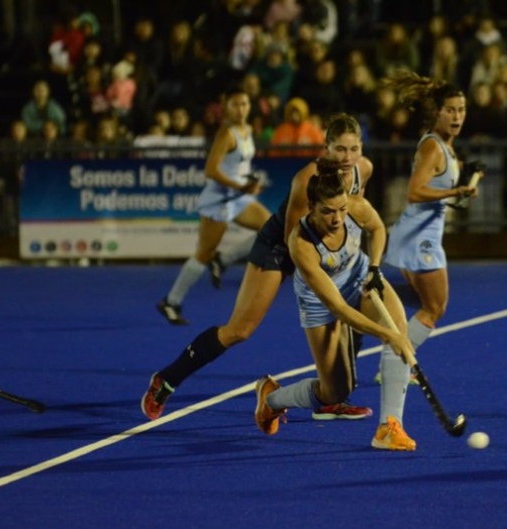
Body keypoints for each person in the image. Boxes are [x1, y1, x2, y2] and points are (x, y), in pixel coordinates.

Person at [142, 113, 375, 421]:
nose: (347, 158)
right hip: (281, 249)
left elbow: (353, 220)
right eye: (340, 149)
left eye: (353, 149)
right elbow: (296, 239)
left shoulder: (364, 170)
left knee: (339, 318)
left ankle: (332, 396)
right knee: (239, 330)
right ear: (326, 148)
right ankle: (166, 379)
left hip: (318, 255)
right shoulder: (307, 178)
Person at [255, 157, 417, 450]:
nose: (338, 219)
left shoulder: (354, 208)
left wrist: (375, 269)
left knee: (399, 326)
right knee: (335, 392)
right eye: (328, 212)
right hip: (321, 304)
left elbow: (378, 228)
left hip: (358, 279)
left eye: (342, 210)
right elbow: (338, 308)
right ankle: (271, 399)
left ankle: (389, 428)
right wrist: (387, 335)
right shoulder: (301, 244)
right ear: (311, 208)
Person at [379, 71, 480, 381]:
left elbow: (439, 194)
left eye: (461, 110)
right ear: (437, 112)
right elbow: (415, 191)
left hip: (420, 234)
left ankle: (390, 356)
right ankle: (394, 362)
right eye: (450, 110)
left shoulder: (446, 148)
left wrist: (463, 187)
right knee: (435, 306)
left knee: (426, 303)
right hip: (419, 237)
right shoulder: (434, 147)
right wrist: (455, 191)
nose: (457, 116)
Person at [157, 88, 271, 324]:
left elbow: (239, 167)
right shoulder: (226, 133)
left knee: (272, 228)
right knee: (203, 254)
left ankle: (224, 260)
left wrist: (249, 183)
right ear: (227, 107)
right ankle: (171, 301)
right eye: (236, 104)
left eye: (245, 104)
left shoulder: (247, 130)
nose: (241, 109)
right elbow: (210, 170)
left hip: (239, 198)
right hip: (219, 200)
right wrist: (239, 186)